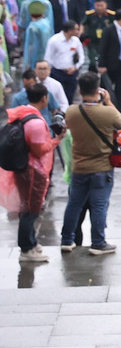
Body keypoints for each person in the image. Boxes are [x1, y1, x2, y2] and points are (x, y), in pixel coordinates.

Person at [60, 72, 121, 255]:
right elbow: (120, 122)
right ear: (98, 90)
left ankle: (67, 240)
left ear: (80, 90)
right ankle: (98, 242)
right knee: (99, 205)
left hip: (79, 168)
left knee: (74, 204)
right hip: (102, 168)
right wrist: (109, 101)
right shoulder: (107, 112)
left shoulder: (71, 112)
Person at [5, 83, 64, 263]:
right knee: (31, 210)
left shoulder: (22, 113)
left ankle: (32, 242)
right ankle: (26, 249)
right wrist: (57, 140)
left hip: (24, 168)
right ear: (45, 98)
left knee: (27, 208)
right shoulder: (36, 123)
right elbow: (39, 150)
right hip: (33, 172)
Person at [96, 8, 121, 111]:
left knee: (119, 90)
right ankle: (106, 112)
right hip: (109, 65)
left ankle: (118, 113)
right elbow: (103, 48)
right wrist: (102, 65)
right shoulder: (108, 30)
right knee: (107, 90)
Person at [44, 19, 84, 105]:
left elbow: (82, 57)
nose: (78, 31)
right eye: (76, 29)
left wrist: (75, 67)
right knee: (56, 96)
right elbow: (48, 58)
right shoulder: (54, 40)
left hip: (71, 73)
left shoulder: (76, 41)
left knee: (70, 96)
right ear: (70, 31)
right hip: (57, 72)